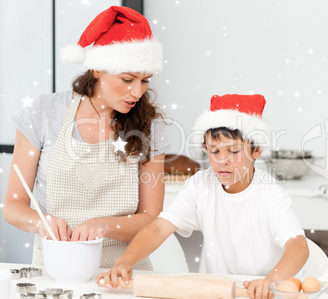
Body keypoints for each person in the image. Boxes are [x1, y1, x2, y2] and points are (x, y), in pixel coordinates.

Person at [3, 6, 169, 270]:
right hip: (54, 269)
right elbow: (13, 205)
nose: (137, 91)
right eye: (127, 79)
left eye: (145, 80)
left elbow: (150, 218)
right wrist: (42, 222)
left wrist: (104, 225)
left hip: (124, 271)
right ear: (96, 69)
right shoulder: (43, 114)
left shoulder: (150, 127)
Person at [96, 94, 309, 299]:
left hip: (269, 291)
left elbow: (299, 247)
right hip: (224, 291)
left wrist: (269, 281)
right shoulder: (200, 186)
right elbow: (159, 228)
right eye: (214, 151)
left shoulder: (269, 195)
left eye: (233, 151)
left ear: (256, 151)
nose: (222, 160)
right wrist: (124, 262)